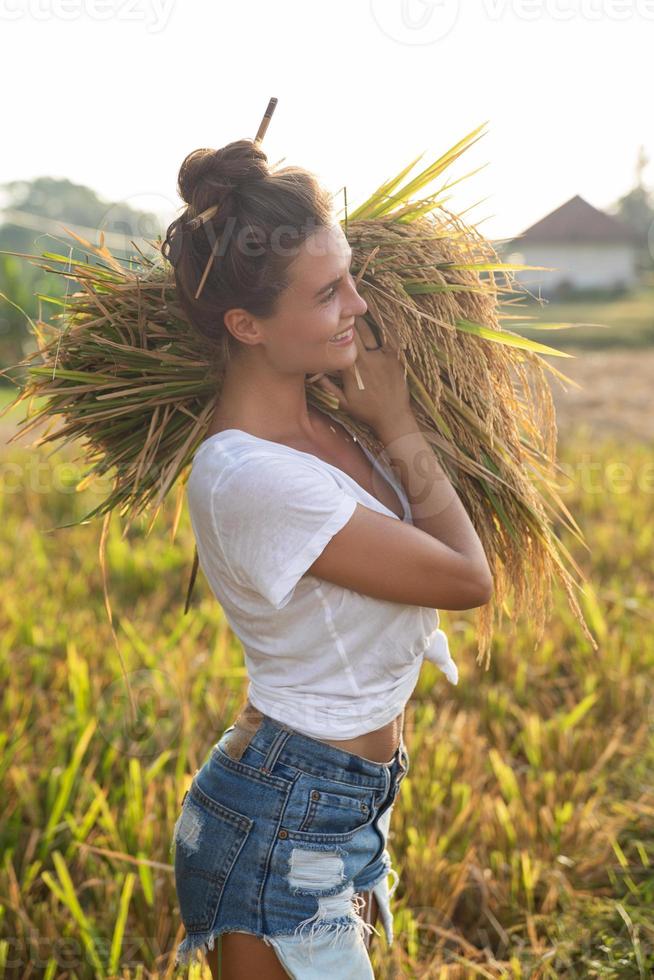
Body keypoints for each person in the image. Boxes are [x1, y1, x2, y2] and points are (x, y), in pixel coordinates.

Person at [164, 139, 493, 979]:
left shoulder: (326, 422)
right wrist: (401, 422)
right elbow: (466, 579)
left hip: (343, 806)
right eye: (328, 293)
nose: (358, 303)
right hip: (280, 821)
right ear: (247, 325)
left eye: (349, 274)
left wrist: (378, 419)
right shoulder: (253, 476)